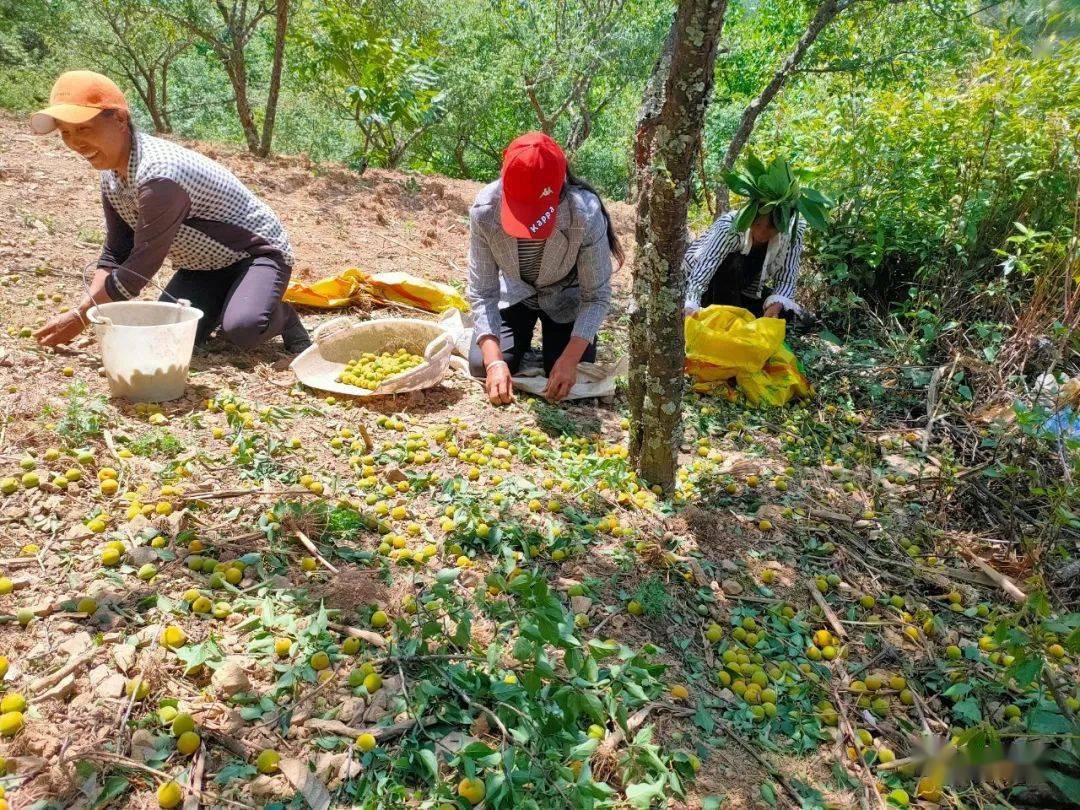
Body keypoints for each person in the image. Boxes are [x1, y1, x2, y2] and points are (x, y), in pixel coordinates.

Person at [30, 71, 311, 353]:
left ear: (118, 119)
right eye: (65, 133)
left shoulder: (159, 177)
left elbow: (140, 266)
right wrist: (89, 308)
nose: (75, 143)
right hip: (205, 264)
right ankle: (231, 300)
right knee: (167, 335)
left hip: (256, 254)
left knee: (243, 329)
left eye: (83, 129)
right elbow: (116, 252)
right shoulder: (112, 174)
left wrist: (82, 316)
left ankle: (282, 317)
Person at [466, 132, 623, 405]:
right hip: (516, 293)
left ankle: (556, 351)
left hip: (565, 298)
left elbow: (596, 296)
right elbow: (483, 292)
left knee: (566, 372)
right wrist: (494, 363)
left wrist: (570, 357)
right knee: (482, 364)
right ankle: (514, 347)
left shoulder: (583, 214)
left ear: (559, 191)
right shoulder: (485, 209)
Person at [682, 208, 805, 321]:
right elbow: (702, 272)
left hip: (741, 288)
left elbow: (786, 280)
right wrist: (691, 305)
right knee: (733, 263)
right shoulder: (730, 227)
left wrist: (776, 305)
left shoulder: (792, 232)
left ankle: (734, 315)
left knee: (788, 312)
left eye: (771, 227)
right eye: (757, 224)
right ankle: (726, 317)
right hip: (703, 284)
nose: (762, 233)